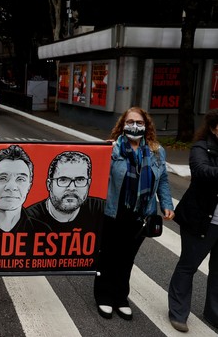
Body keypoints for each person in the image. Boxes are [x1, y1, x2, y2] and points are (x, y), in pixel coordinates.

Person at [94, 106, 174, 321]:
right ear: (122, 125)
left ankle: (120, 297)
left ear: (146, 126)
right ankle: (103, 295)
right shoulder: (112, 149)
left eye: (139, 122)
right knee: (108, 255)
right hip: (114, 212)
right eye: (130, 122)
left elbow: (163, 179)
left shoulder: (157, 151)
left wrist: (166, 203)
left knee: (127, 258)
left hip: (141, 215)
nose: (135, 126)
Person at [168, 110, 218, 333]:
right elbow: (201, 172)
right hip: (201, 220)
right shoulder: (201, 148)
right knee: (188, 266)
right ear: (214, 128)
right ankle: (178, 313)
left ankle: (213, 314)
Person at [0, 145, 46, 233]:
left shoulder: (42, 231)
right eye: (2, 178)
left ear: (29, 187)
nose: (11, 187)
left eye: (20, 179)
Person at [26, 151, 105, 231]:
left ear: (88, 183)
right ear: (49, 185)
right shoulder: (28, 220)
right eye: (63, 180)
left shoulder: (102, 209)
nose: (72, 188)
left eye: (80, 179)